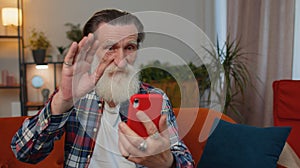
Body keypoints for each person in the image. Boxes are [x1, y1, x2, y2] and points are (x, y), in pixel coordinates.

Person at [11, 9, 194, 168]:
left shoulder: (155, 98)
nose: (121, 61)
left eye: (129, 47)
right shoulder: (74, 96)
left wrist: (168, 163)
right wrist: (62, 101)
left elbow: (185, 161)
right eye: (110, 48)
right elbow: (24, 153)